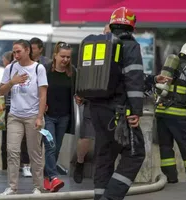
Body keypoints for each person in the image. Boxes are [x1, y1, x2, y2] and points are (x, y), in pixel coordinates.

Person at [75, 7, 146, 200]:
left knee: (105, 156)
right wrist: (136, 111)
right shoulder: (130, 46)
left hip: (96, 110)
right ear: (132, 26)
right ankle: (111, 197)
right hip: (119, 112)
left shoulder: (101, 45)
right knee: (135, 154)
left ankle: (100, 197)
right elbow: (133, 80)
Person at [0, 39, 48, 195]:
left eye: (18, 51)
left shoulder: (38, 68)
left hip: (33, 115)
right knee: (12, 150)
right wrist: (12, 82)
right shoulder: (10, 68)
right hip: (14, 115)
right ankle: (12, 186)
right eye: (14, 52)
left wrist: (40, 117)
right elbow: (1, 91)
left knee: (35, 152)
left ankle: (38, 186)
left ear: (28, 50)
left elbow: (43, 94)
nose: (16, 55)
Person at [152, 42, 186, 183]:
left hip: (161, 113)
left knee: (166, 147)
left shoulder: (170, 65)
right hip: (178, 115)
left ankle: (170, 178)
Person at [73, 24, 111, 184]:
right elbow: (83, 70)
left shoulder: (117, 50)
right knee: (86, 138)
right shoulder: (93, 48)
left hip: (110, 101)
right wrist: (79, 91)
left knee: (108, 140)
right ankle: (79, 164)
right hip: (92, 99)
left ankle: (102, 171)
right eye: (107, 32)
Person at [43, 41, 76, 192]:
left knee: (57, 149)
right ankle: (53, 177)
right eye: (62, 56)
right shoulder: (45, 71)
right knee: (50, 146)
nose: (65, 60)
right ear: (55, 55)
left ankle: (46, 175)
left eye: (68, 57)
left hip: (64, 117)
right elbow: (38, 90)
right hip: (48, 116)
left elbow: (77, 90)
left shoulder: (73, 72)